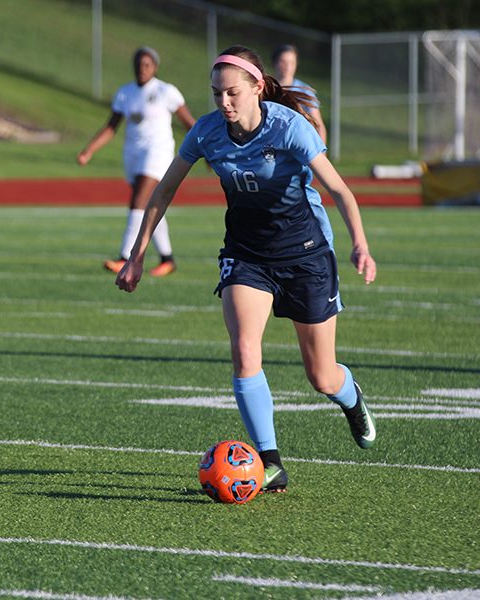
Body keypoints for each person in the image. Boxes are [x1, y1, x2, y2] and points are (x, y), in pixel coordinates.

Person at [116, 46, 378, 493]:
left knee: (321, 375)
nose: (224, 103)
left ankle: (351, 399)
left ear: (258, 87)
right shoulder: (206, 132)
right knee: (244, 350)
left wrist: (360, 244)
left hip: (306, 253)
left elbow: (339, 188)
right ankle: (270, 461)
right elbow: (162, 193)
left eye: (233, 92)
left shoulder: (288, 126)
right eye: (217, 93)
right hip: (247, 255)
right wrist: (137, 254)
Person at [78, 46, 196, 277]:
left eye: (147, 65)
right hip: (133, 154)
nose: (142, 69)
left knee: (138, 200)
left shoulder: (165, 91)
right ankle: (167, 258)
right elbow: (111, 127)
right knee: (150, 204)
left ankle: (124, 256)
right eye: (138, 65)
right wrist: (88, 150)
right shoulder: (125, 93)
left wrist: (209, 150)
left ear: (155, 67)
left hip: (158, 153)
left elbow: (190, 123)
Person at [272, 44, 327, 143]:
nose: (287, 67)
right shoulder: (266, 89)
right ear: (275, 63)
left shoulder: (304, 91)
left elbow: (318, 125)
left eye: (291, 63)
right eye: (283, 62)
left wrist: (322, 154)